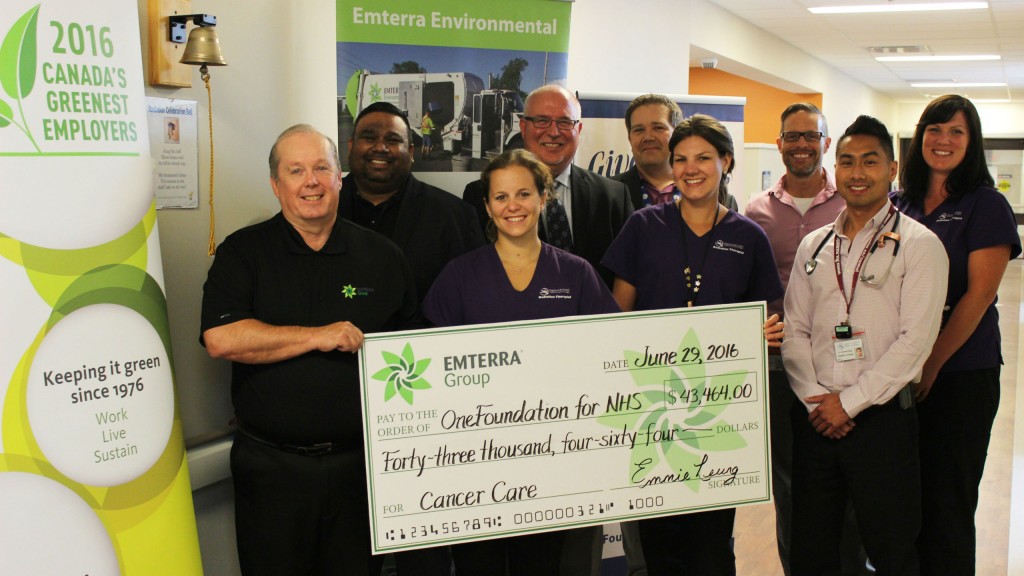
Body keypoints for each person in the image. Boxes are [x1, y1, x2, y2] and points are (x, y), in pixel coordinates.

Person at [199, 124, 419, 575]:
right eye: (295, 170)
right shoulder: (243, 252)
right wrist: (318, 335)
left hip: (360, 471)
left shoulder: (383, 256)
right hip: (272, 470)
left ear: (341, 177)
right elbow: (221, 340)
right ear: (276, 185)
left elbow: (411, 354)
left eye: (321, 167)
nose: (311, 181)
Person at [423, 149, 620, 576]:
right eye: (500, 197)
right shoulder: (458, 276)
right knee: (479, 566)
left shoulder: (576, 274)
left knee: (541, 564)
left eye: (524, 194)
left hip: (552, 461)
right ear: (487, 206)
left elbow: (611, 355)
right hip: (475, 464)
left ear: (544, 198)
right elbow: (431, 369)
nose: (512, 206)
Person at [602, 114, 784, 575]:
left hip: (719, 410)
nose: (690, 168)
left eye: (704, 157)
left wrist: (764, 333)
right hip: (650, 406)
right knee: (658, 540)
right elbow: (618, 314)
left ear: (726, 161)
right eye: (680, 159)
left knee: (709, 542)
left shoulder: (748, 237)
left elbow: (768, 318)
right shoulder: (643, 226)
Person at [783, 115, 949, 576]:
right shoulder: (814, 246)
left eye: (870, 162)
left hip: (881, 424)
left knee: (892, 547)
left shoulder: (920, 245)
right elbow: (795, 329)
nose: (857, 173)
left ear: (892, 169)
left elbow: (916, 342)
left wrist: (849, 404)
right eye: (847, 162)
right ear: (834, 169)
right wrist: (818, 400)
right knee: (812, 550)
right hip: (816, 420)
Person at [893, 94, 1021, 576]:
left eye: (956, 132)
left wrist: (930, 364)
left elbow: (979, 296)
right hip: (899, 374)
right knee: (906, 503)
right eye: (934, 129)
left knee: (948, 506)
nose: (943, 140)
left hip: (960, 373)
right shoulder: (899, 203)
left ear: (972, 142)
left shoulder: (985, 204)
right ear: (920, 136)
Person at [744, 102, 847, 575]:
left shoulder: (852, 200)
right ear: (779, 143)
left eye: (812, 136)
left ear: (826, 143)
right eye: (792, 136)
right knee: (787, 480)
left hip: (842, 364)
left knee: (844, 476)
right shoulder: (756, 210)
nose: (802, 144)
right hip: (776, 364)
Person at [464, 84, 633, 288]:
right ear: (524, 127)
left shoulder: (613, 195)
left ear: (578, 129)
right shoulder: (480, 194)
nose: (553, 132)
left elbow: (629, 273)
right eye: (542, 121)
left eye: (564, 122)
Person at [342, 101, 484, 303]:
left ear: (410, 152)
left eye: (392, 140)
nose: (381, 147)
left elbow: (474, 301)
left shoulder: (457, 218)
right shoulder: (315, 214)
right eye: (369, 138)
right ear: (351, 146)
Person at [613, 93, 737, 211]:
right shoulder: (609, 193)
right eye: (639, 130)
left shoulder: (724, 201)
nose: (648, 137)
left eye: (658, 128)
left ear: (678, 133)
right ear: (629, 138)